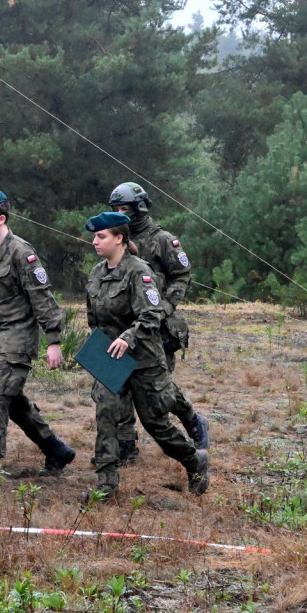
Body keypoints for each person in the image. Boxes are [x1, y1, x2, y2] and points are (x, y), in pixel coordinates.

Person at [84, 211, 208, 502]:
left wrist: (128, 337)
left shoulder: (139, 271)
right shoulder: (96, 274)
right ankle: (106, 483)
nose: (95, 242)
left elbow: (151, 313)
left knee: (156, 424)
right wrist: (99, 349)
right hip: (111, 357)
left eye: (101, 236)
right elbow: (94, 318)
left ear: (120, 239)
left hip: (144, 358)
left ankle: (194, 460)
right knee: (106, 414)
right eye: (94, 236)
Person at [0, 192, 76, 492]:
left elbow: (43, 298)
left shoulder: (22, 252)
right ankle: (56, 450)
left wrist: (53, 341)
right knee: (14, 404)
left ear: (1, 219)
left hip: (16, 340)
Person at [107, 182, 208, 465]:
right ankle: (126, 446)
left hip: (156, 326)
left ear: (139, 207)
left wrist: (164, 308)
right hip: (122, 327)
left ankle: (193, 420)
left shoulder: (162, 239)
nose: (119, 213)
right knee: (118, 385)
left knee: (158, 390)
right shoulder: (116, 238)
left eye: (124, 208)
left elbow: (181, 275)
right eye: (115, 209)